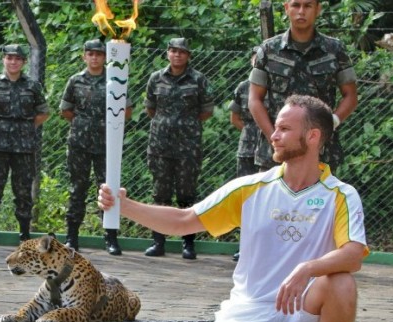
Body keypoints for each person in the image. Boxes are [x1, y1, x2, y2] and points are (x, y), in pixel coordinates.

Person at [98, 95, 368, 322]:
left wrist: (308, 269)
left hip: (303, 309)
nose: (273, 135)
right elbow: (183, 221)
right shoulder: (251, 188)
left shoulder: (340, 195)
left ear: (313, 136)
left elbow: (353, 253)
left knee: (341, 280)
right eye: (276, 127)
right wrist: (125, 206)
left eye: (285, 129)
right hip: (249, 308)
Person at [249, 0, 358, 174]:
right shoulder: (268, 50)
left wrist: (332, 122)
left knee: (319, 200)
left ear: (318, 9)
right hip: (275, 155)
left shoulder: (335, 50)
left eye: (307, 6)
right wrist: (274, 137)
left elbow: (350, 96)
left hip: (321, 151)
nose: (301, 11)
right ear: (286, 8)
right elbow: (254, 99)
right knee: (273, 201)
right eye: (295, 5)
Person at [0, 44, 50, 247]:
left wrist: (24, 127)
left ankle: (24, 236)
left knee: (23, 191)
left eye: (17, 59)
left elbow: (43, 112)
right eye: (9, 58)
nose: (13, 62)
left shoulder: (32, 86)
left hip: (24, 147)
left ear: (23, 62)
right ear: (3, 60)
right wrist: (2, 127)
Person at [59, 39, 133, 256]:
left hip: (106, 145)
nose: (94, 58)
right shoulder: (75, 81)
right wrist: (85, 124)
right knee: (77, 189)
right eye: (90, 54)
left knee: (108, 189)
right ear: (84, 56)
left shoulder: (115, 80)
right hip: (79, 144)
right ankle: (72, 237)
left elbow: (126, 111)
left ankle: (110, 238)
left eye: (99, 54)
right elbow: (66, 110)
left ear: (105, 57)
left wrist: (104, 125)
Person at [143, 37, 214, 259]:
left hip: (188, 147)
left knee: (187, 195)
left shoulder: (198, 80)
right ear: (167, 53)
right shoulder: (156, 78)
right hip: (160, 146)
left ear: (188, 56)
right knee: (160, 194)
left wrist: (185, 126)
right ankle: (158, 242)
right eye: (173, 51)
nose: (177, 55)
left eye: (182, 52)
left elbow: (206, 111)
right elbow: (150, 109)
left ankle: (188, 244)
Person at [228, 47, 266, 262]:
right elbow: (235, 117)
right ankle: (244, 245)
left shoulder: (275, 85)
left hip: (270, 147)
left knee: (266, 198)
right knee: (246, 198)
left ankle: (262, 246)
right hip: (247, 148)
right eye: (254, 57)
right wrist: (250, 132)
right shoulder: (243, 87)